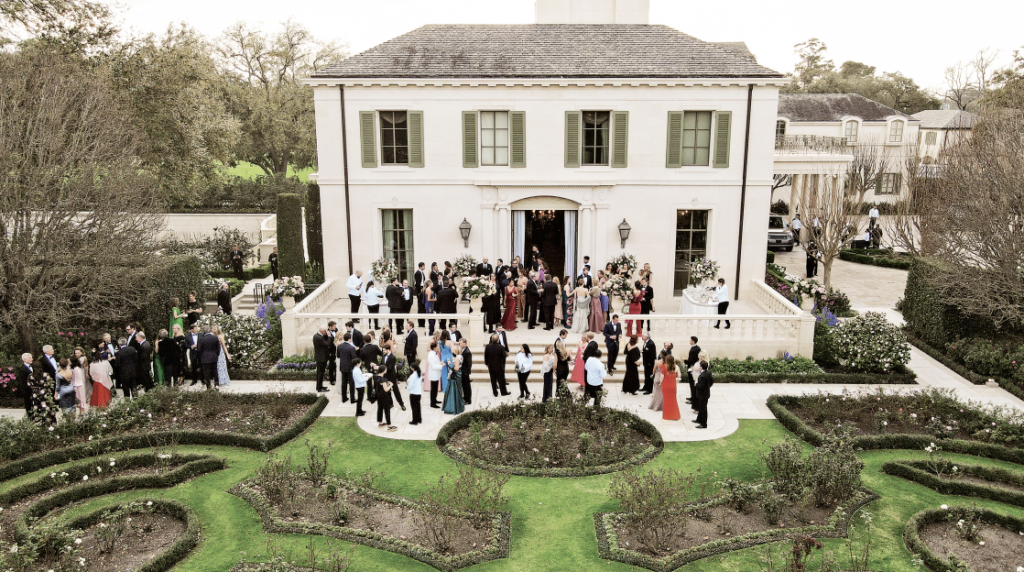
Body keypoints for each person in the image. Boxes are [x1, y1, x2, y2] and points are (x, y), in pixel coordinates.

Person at [443, 345, 466, 415]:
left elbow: (456, 368)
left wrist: (449, 364)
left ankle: (454, 407)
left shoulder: (457, 358)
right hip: (459, 374)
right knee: (458, 389)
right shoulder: (460, 356)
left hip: (455, 375)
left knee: (454, 390)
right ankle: (459, 405)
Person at [89, 344, 113, 408]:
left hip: (97, 380)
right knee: (105, 393)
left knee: (98, 393)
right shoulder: (105, 362)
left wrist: (94, 377)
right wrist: (109, 374)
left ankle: (99, 404)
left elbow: (91, 373)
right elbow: (110, 370)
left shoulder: (92, 364)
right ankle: (106, 402)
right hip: (105, 379)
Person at [197, 326, 220, 390]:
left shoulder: (201, 339)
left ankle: (208, 386)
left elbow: (199, 350)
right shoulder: (215, 338)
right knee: (215, 372)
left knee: (206, 373)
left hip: (205, 358)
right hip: (214, 357)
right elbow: (218, 348)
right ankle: (216, 385)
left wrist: (200, 357)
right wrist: (216, 355)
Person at [337, 332, 357, 402]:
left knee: (344, 382)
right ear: (349, 339)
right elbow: (354, 358)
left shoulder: (339, 346)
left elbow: (338, 356)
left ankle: (344, 398)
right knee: (351, 383)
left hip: (343, 366)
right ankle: (352, 398)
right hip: (350, 367)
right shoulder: (351, 348)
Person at [659, 354, 681, 421]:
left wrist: (660, 383)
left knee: (666, 401)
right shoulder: (676, 367)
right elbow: (679, 376)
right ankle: (675, 415)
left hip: (665, 385)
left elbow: (662, 377)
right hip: (673, 385)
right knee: (673, 400)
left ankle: (667, 416)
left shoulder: (664, 366)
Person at [375, 368, 397, 432]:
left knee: (380, 408)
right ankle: (389, 426)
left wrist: (387, 382)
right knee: (387, 410)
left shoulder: (376, 377)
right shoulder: (383, 379)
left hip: (378, 395)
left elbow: (379, 385)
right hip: (384, 396)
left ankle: (380, 422)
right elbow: (386, 389)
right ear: (384, 371)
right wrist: (390, 385)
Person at [693, 360, 713, 429]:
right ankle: (699, 419)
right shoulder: (708, 373)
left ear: (701, 367)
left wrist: (696, 384)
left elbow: (700, 386)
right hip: (706, 393)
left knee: (702, 408)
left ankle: (703, 424)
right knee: (701, 407)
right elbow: (711, 382)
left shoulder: (702, 376)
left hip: (702, 395)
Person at [683, 336, 702, 406]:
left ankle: (694, 399)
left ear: (693, 341)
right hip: (693, 368)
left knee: (693, 384)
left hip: (692, 369)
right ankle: (692, 397)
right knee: (692, 384)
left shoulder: (694, 350)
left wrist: (684, 360)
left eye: (690, 340)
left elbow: (691, 360)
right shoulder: (697, 348)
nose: (689, 341)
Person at [313, 326, 331, 393]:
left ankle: (320, 386)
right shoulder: (318, 337)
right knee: (320, 373)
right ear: (322, 331)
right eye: (326, 331)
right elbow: (327, 344)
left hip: (322, 357)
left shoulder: (318, 335)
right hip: (321, 358)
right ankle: (319, 388)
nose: (326, 332)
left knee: (321, 373)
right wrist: (329, 336)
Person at [427, 340, 443, 408]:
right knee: (433, 389)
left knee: (435, 388)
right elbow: (434, 366)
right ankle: (432, 403)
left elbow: (437, 362)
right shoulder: (431, 355)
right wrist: (442, 366)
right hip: (433, 374)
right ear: (434, 348)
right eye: (437, 346)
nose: (438, 347)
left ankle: (435, 399)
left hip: (436, 374)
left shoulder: (434, 353)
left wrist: (440, 363)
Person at [459, 338, 474, 405]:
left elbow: (469, 363)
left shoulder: (467, 352)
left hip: (465, 372)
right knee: (464, 386)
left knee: (466, 386)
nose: (460, 344)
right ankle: (465, 397)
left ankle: (468, 400)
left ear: (465, 343)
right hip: (462, 371)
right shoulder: (462, 350)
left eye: (461, 343)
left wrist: (466, 372)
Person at [414, 262, 427, 327]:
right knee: (420, 306)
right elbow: (418, 282)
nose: (424, 267)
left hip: (422, 288)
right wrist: (420, 289)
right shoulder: (417, 273)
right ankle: (421, 322)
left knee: (423, 305)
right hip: (420, 290)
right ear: (421, 266)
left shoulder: (422, 272)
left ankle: (423, 321)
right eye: (423, 266)